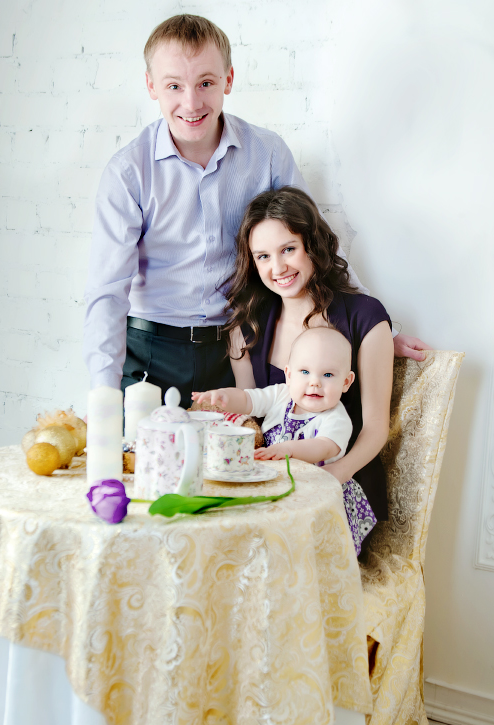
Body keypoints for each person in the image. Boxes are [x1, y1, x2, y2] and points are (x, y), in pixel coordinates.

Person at [83, 13, 430, 408]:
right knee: (135, 450)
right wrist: (103, 395)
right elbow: (107, 292)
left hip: (236, 353)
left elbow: (315, 243)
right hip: (150, 353)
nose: (191, 103)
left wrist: (375, 331)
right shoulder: (128, 172)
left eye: (206, 83)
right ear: (151, 86)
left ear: (228, 79)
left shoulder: (267, 153)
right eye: (174, 85)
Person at [222, 186, 396, 548]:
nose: (278, 268)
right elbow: (250, 416)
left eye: (289, 249)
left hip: (340, 483)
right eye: (263, 256)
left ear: (312, 245)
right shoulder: (246, 325)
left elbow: (376, 428)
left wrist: (334, 475)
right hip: (271, 483)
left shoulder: (366, 317)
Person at [193, 326, 355, 465]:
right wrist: (225, 396)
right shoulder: (281, 395)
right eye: (305, 372)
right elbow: (248, 400)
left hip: (316, 486)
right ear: (289, 375)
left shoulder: (336, 419)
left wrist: (288, 449)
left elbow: (324, 447)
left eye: (328, 375)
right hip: (275, 479)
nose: (315, 383)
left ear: (346, 382)